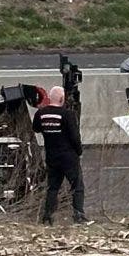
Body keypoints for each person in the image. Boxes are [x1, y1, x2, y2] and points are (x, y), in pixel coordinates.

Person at [34, 84, 86, 224]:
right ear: (62, 99)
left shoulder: (41, 114)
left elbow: (36, 129)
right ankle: (78, 214)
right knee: (77, 186)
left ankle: (48, 216)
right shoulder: (67, 114)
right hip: (68, 157)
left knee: (53, 187)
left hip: (51, 156)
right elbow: (74, 136)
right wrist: (79, 151)